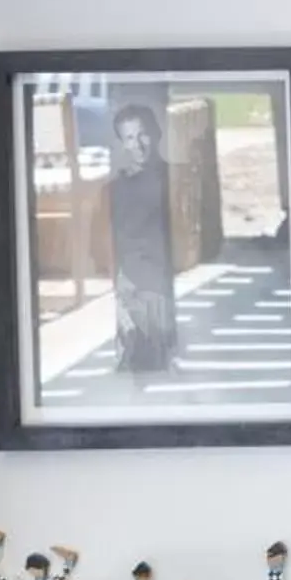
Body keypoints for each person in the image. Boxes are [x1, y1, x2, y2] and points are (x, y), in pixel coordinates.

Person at [108, 101, 176, 377]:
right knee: (134, 359)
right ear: (122, 143)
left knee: (157, 359)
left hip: (159, 279)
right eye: (130, 138)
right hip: (131, 280)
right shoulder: (118, 187)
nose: (138, 144)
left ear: (157, 133)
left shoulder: (172, 178)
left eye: (143, 134)